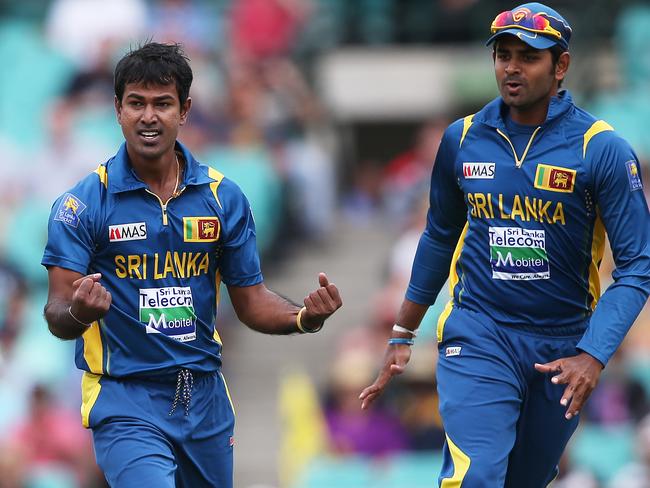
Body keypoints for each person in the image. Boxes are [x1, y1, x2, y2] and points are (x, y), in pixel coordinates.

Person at [360, 3, 650, 487]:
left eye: (528, 57)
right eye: (503, 54)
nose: (512, 67)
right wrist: (402, 331)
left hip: (562, 349)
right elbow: (438, 236)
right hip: (480, 332)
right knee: (476, 477)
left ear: (561, 66)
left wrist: (593, 355)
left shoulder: (601, 149)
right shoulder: (463, 139)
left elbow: (639, 265)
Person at [41, 42, 342, 488]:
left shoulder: (223, 198)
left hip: (204, 399)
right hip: (126, 398)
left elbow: (251, 300)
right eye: (136, 103)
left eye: (162, 104)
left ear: (184, 111)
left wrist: (302, 316)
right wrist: (81, 313)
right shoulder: (81, 206)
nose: (148, 116)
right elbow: (56, 312)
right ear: (118, 110)